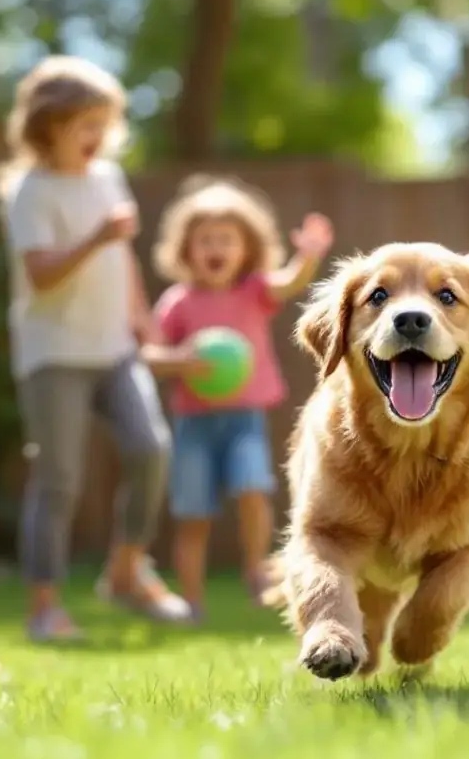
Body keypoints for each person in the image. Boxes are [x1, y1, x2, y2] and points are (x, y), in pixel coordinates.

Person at [0, 55, 191, 642]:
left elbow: (122, 256)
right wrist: (97, 236)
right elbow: (42, 275)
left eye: (103, 124)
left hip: (113, 349)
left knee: (151, 447)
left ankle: (127, 569)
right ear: (45, 126)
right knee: (58, 479)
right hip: (52, 353)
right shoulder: (30, 191)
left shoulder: (107, 177)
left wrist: (141, 321)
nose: (97, 137)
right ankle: (45, 606)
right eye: (84, 124)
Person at [143, 175, 334, 623]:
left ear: (245, 249)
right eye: (205, 239)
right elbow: (149, 357)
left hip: (245, 418)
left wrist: (307, 257)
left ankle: (256, 569)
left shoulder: (253, 291)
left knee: (253, 490)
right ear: (186, 250)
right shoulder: (178, 302)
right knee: (193, 516)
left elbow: (289, 283)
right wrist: (182, 360)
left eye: (227, 239)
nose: (216, 247)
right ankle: (191, 601)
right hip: (195, 425)